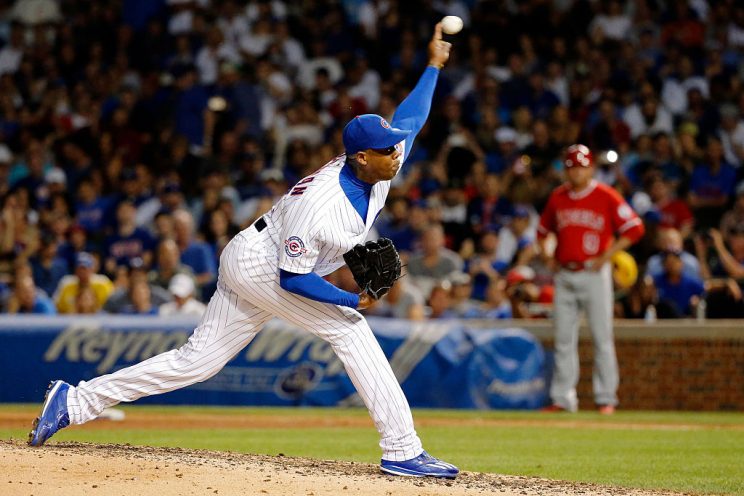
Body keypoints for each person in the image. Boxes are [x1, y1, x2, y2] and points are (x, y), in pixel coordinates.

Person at [28, 25, 458, 479]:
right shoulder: (320, 205)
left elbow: (411, 118)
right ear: (360, 158)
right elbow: (292, 279)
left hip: (259, 255)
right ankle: (401, 448)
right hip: (262, 264)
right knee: (349, 329)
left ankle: (75, 400)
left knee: (196, 362)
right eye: (385, 149)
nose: (396, 152)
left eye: (393, 146)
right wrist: (354, 300)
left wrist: (432, 65)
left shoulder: (381, 162)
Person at [538, 144, 645, 414]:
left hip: (594, 272)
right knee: (563, 338)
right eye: (572, 167)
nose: (576, 172)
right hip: (565, 272)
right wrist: (547, 256)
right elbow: (542, 232)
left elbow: (635, 228)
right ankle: (563, 399)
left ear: (591, 168)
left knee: (602, 337)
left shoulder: (606, 195)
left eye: (581, 166)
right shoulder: (557, 197)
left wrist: (607, 255)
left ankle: (606, 398)